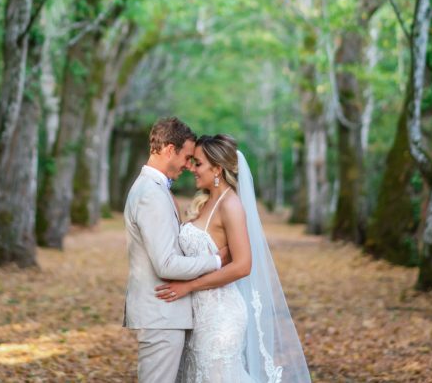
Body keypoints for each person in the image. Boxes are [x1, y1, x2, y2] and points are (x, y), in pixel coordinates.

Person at [155, 134, 312, 382]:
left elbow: (242, 265)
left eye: (198, 163)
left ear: (217, 168)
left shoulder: (231, 205)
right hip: (197, 315)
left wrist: (189, 286)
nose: (192, 169)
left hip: (220, 318)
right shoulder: (205, 201)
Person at [123, 117, 227, 383]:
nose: (188, 165)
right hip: (161, 315)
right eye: (187, 156)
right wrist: (215, 261)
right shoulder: (151, 194)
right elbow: (167, 264)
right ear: (170, 149)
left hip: (165, 315)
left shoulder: (153, 189)